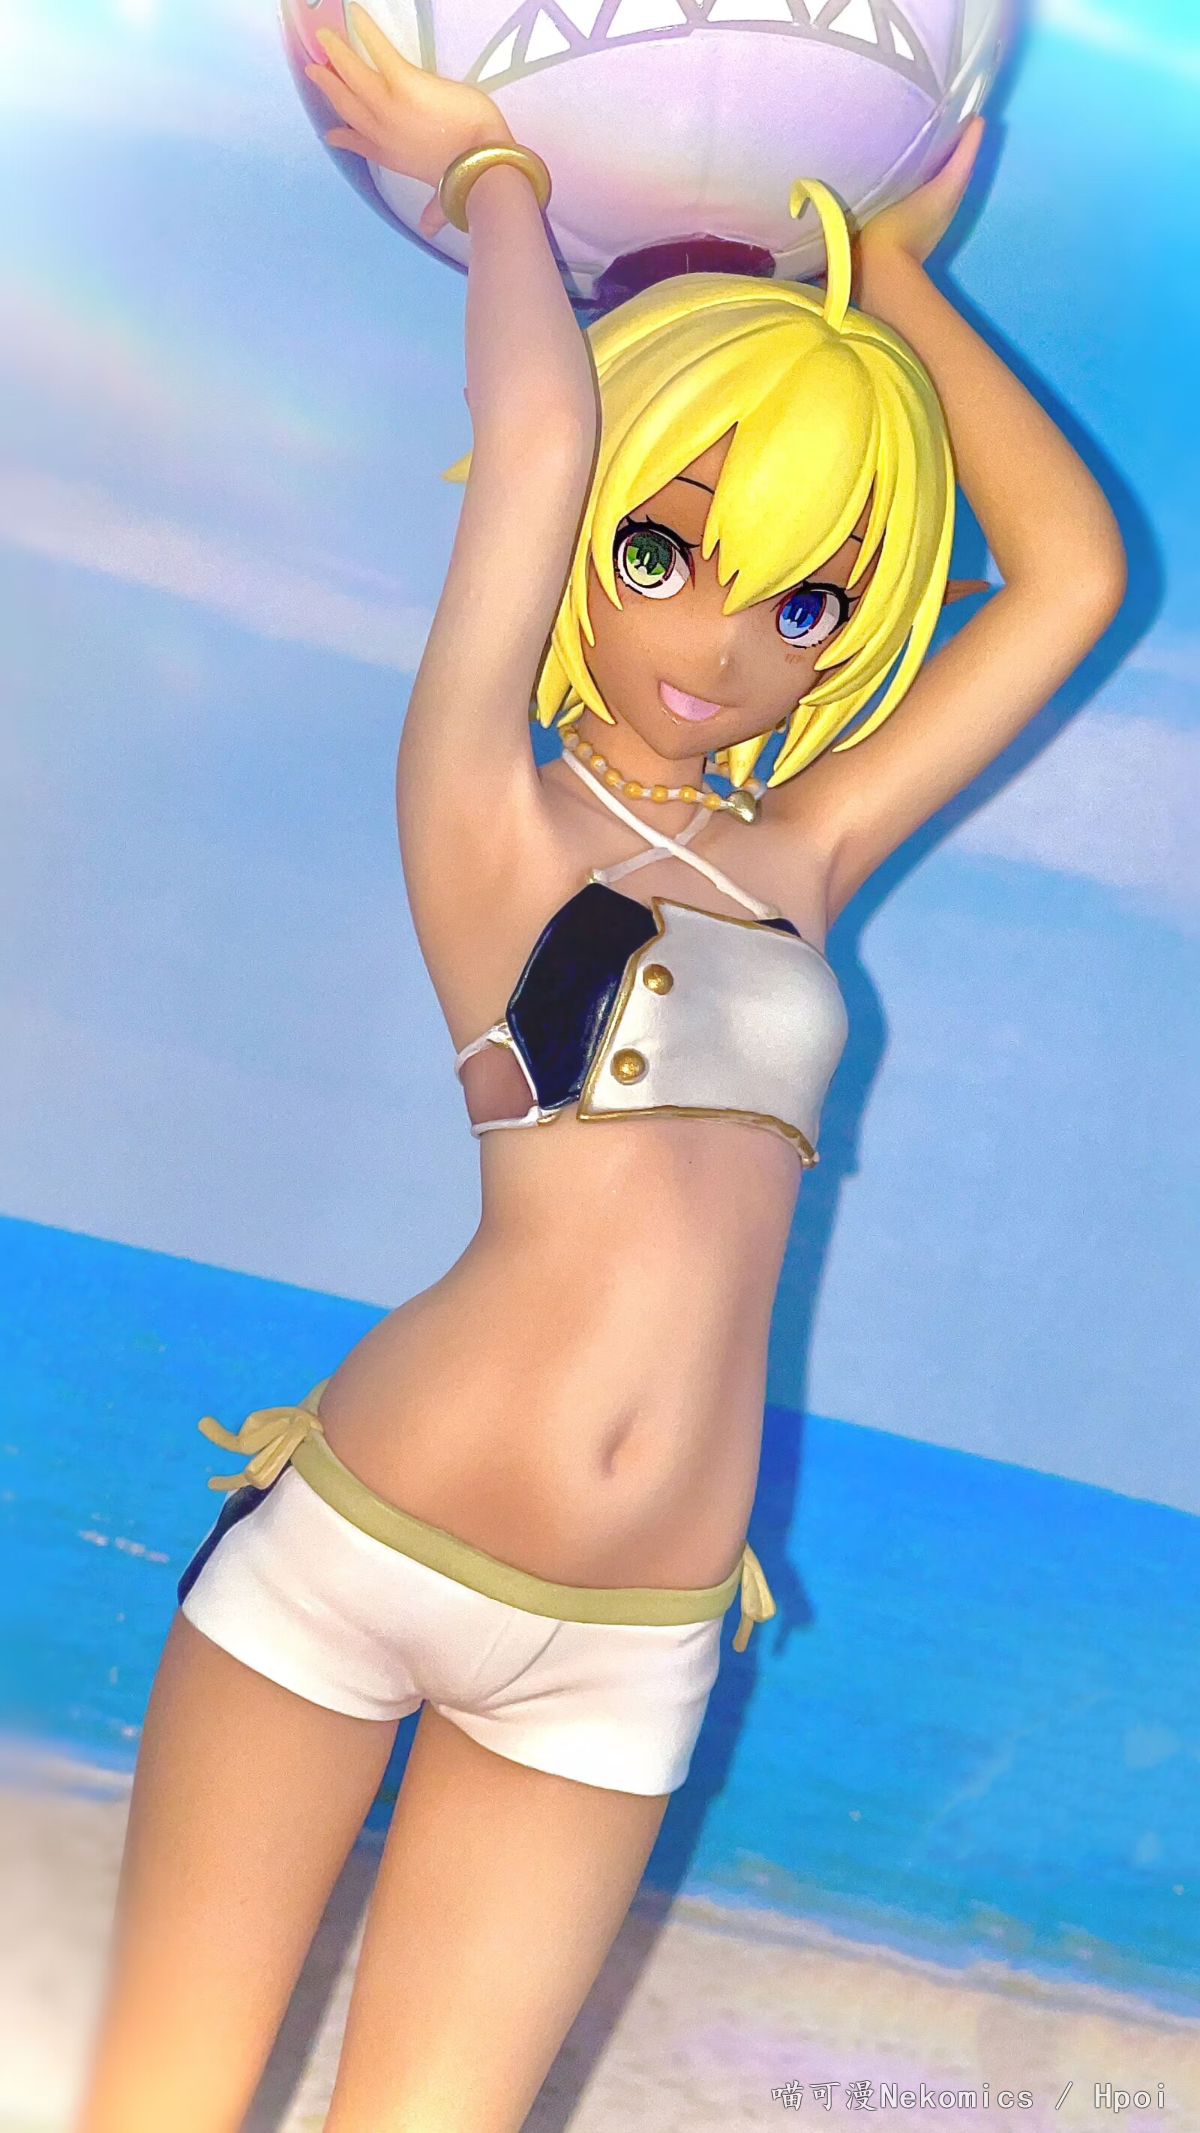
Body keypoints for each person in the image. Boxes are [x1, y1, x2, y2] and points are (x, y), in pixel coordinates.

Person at [76, 9, 1125, 2129]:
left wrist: (889, 277)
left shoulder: (804, 852)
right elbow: (545, 443)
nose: (720, 640)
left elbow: (1075, 576)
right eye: (668, 550)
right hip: (367, 1545)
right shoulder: (492, 813)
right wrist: (492, 175)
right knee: (164, 2101)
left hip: (631, 1639)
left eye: (804, 600)